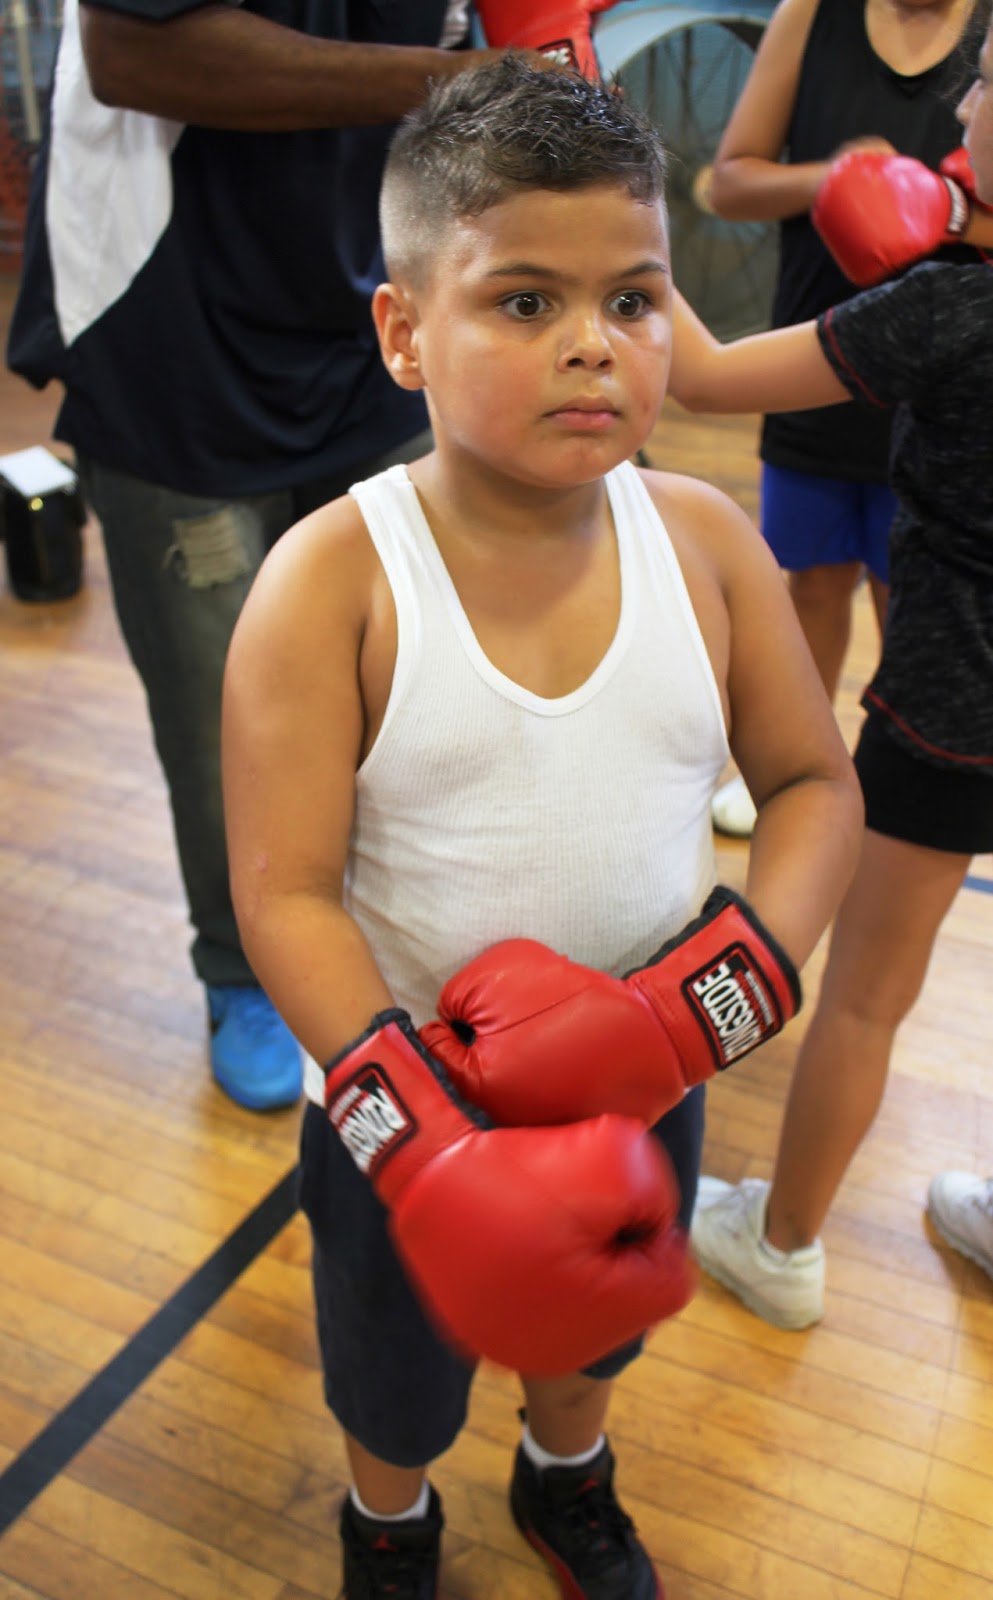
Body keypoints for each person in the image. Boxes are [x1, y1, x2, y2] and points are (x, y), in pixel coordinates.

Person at [221, 58, 862, 1599]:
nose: (592, 345)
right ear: (402, 331)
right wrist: (430, 1148)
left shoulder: (704, 544)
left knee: (596, 1337)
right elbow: (286, 896)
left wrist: (686, 1022)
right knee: (394, 1382)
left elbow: (810, 786)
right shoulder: (334, 581)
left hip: (649, 1077)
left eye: (633, 301)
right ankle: (389, 1520)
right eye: (521, 302)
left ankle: (567, 1475)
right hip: (407, 1100)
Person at [5, 0, 543, 1112]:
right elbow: (127, 52)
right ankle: (241, 969)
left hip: (366, 304)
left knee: (422, 666)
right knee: (225, 709)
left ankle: (396, 941)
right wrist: (461, 81)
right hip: (172, 330)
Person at [665, 12, 993, 1327]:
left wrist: (623, 216)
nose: (965, 99)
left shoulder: (950, 310)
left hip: (954, 706)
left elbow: (701, 376)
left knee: (862, 996)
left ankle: (782, 1245)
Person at [705, 0, 993, 838]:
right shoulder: (814, 14)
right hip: (816, 347)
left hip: (942, 381)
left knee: (911, 587)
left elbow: (697, 378)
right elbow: (730, 182)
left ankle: (889, 775)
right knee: (809, 583)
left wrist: (936, 204)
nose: (968, 102)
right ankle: (789, 769)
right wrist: (841, 180)